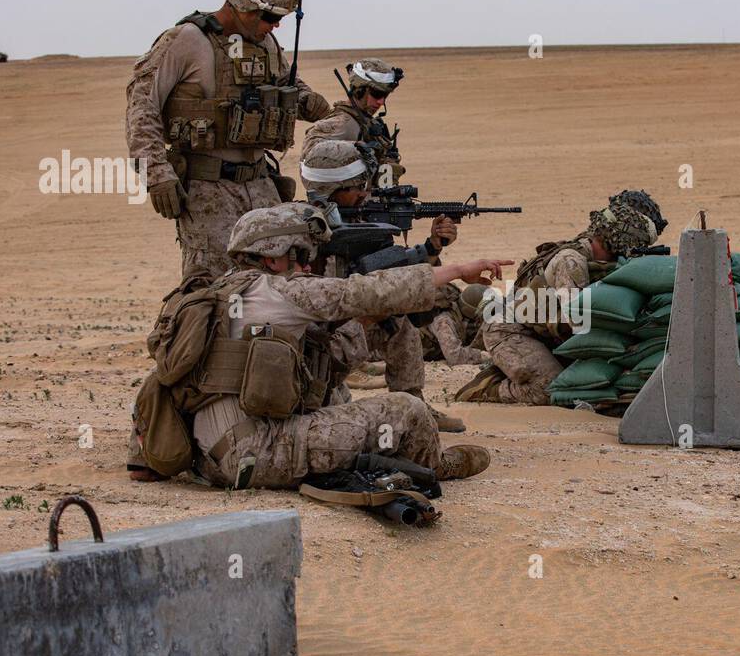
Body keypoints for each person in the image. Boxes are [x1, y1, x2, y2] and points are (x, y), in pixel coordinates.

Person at [129, 202, 510, 488]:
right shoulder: (275, 292)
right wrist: (458, 271)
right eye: (301, 255)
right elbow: (367, 292)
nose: (308, 266)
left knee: (334, 383)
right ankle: (437, 466)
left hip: (209, 460)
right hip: (259, 455)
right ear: (275, 255)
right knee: (407, 411)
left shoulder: (216, 293)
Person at [125, 0, 332, 278]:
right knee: (215, 287)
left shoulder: (266, 43)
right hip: (209, 192)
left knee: (280, 283)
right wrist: (155, 173)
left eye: (280, 18)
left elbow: (285, 83)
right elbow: (142, 107)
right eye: (269, 16)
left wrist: (309, 102)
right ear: (241, 4)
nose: (275, 25)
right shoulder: (186, 40)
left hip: (261, 184)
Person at [300, 139, 466, 431]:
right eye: (357, 187)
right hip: (315, 339)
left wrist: (432, 249)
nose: (365, 193)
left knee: (401, 322)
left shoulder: (358, 219)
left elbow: (389, 274)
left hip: (348, 322)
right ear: (332, 189)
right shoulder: (304, 225)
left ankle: (413, 404)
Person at [455, 194, 664, 405]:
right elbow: (578, 324)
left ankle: (521, 369)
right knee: (548, 390)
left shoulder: (596, 251)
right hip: (509, 331)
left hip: (542, 334)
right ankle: (486, 388)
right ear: (618, 241)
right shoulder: (572, 263)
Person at [419, 283, 489, 366]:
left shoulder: (463, 312)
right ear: (473, 312)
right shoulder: (444, 321)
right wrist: (484, 356)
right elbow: (455, 357)